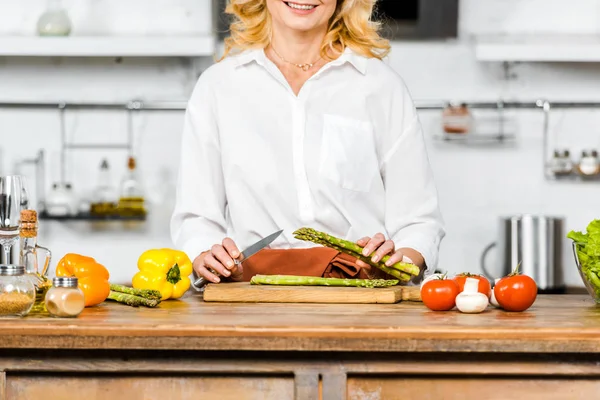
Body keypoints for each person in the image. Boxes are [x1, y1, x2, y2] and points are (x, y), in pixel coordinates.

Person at [170, 0, 445, 285]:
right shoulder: (218, 87)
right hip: (250, 297)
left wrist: (402, 260)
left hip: (362, 298)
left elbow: (419, 221)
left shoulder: (381, 86)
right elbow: (197, 217)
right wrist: (204, 254)